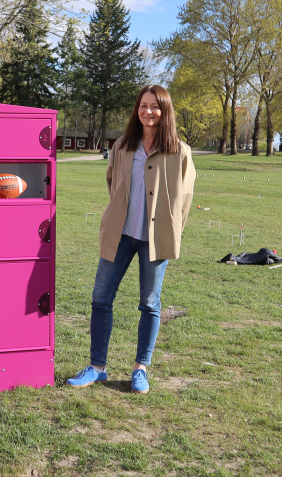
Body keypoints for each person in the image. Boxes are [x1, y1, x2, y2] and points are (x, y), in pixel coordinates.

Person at [66, 85, 196, 394]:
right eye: (143, 105)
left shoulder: (180, 151)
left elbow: (185, 199)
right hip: (120, 235)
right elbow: (112, 183)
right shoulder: (123, 146)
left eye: (155, 106)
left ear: (165, 111)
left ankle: (141, 368)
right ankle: (97, 367)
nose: (148, 112)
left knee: (150, 303)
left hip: (155, 239)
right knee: (100, 298)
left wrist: (170, 229)